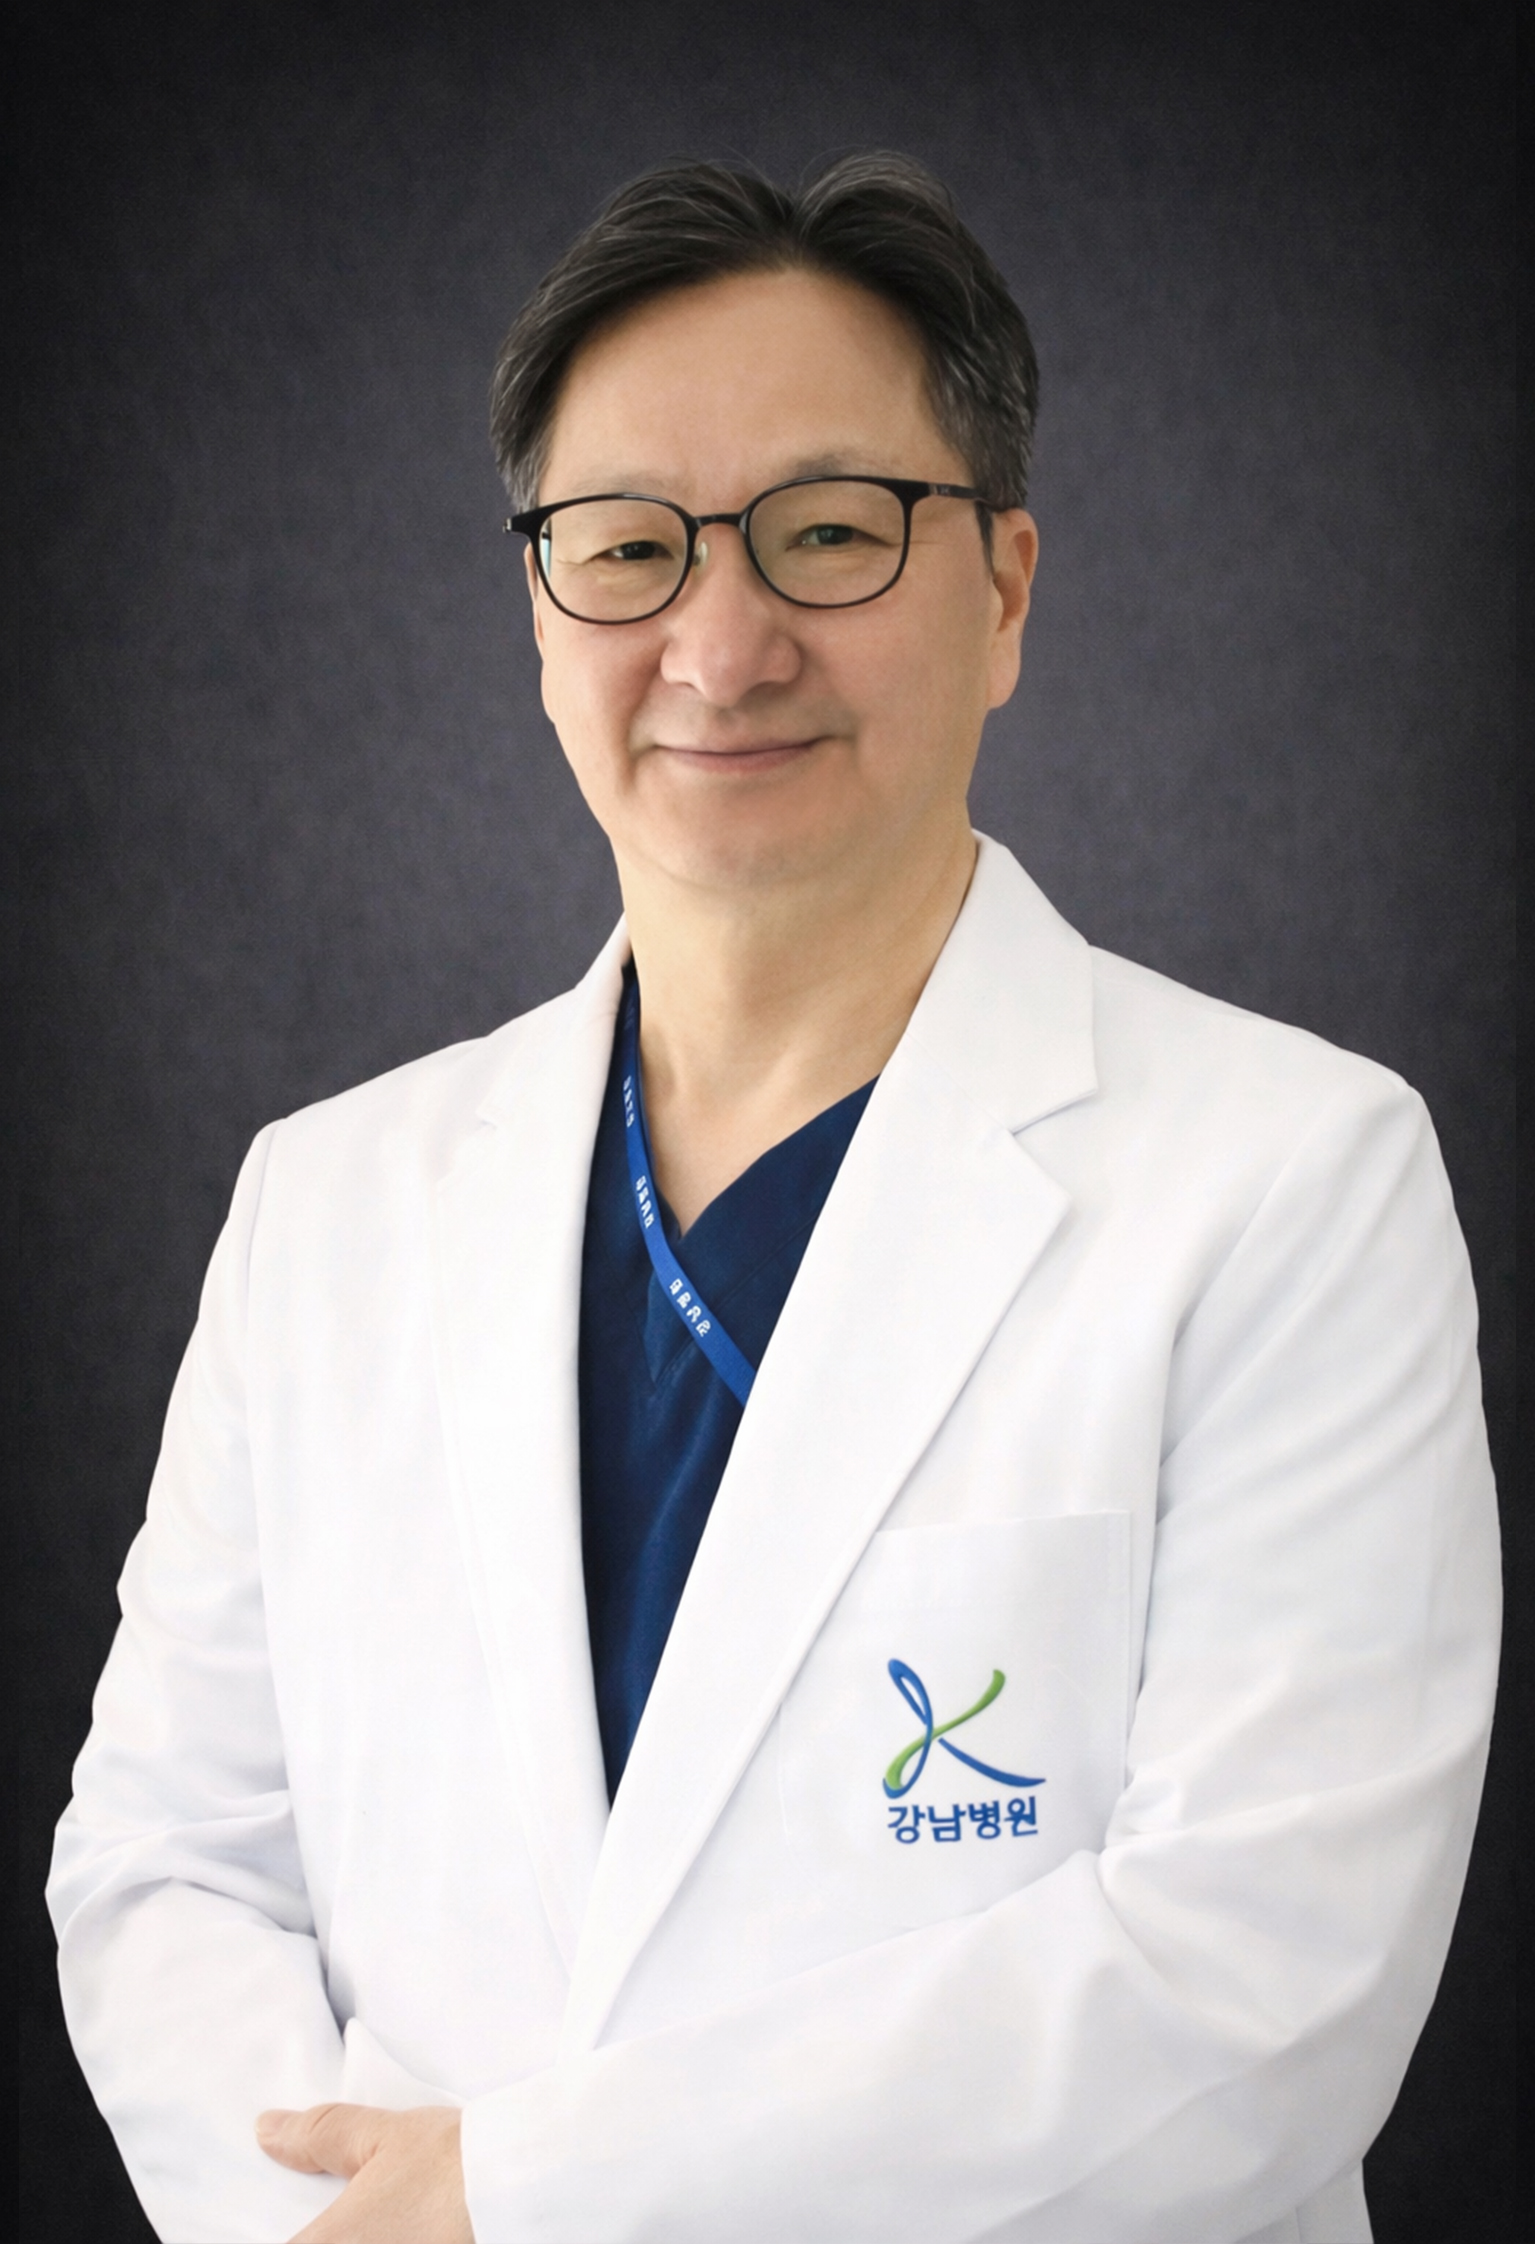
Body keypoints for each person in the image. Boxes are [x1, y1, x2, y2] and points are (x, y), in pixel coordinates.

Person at [48, 155, 1500, 2244]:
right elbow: (168, 1869)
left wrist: (523, 2200)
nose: (721, 649)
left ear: (1006, 591)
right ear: (541, 610)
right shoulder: (325, 1205)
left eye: (828, 533)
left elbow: (1263, 1984)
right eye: (628, 549)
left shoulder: (1293, 1181)